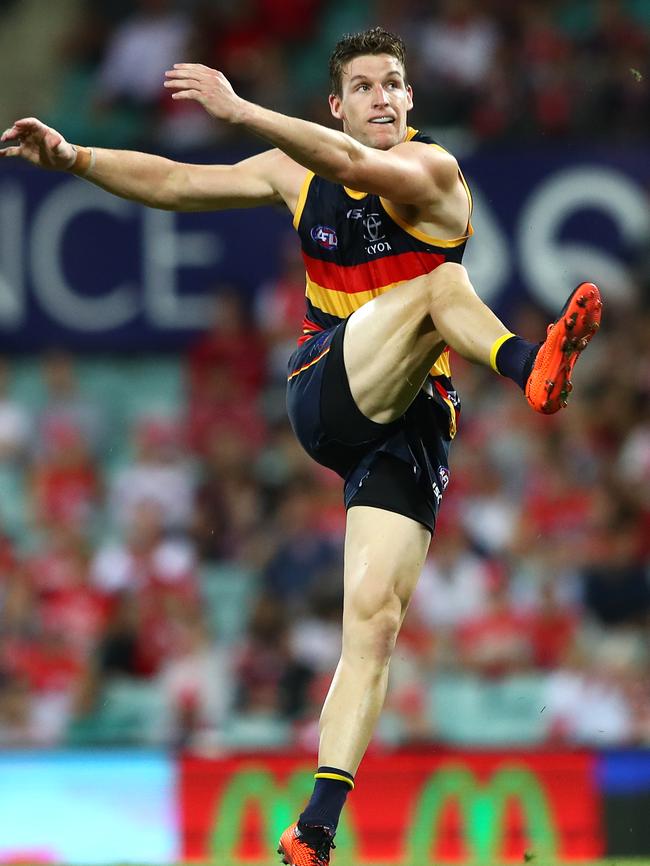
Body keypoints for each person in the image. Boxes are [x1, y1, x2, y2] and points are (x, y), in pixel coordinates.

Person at [1, 26, 602, 866]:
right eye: (364, 87)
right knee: (439, 284)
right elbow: (177, 181)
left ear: (412, 100)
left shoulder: (434, 172)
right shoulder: (297, 171)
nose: (384, 98)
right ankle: (526, 364)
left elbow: (355, 169)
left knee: (376, 624)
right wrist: (72, 158)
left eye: (394, 83)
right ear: (336, 104)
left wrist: (244, 109)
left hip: (411, 421)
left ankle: (314, 829)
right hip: (326, 387)